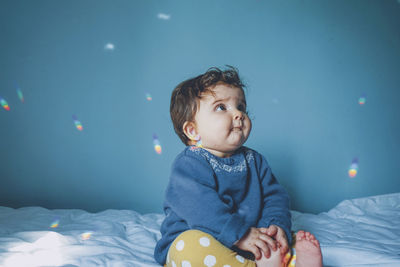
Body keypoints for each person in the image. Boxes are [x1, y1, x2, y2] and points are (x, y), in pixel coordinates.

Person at [154, 66, 323, 267]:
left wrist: (275, 226)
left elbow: (275, 196)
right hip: (205, 239)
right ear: (192, 130)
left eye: (241, 106)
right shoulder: (189, 164)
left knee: (282, 240)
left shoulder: (255, 160)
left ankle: (289, 260)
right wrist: (239, 234)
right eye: (221, 107)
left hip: (248, 240)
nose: (238, 114)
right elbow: (200, 207)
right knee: (188, 246)